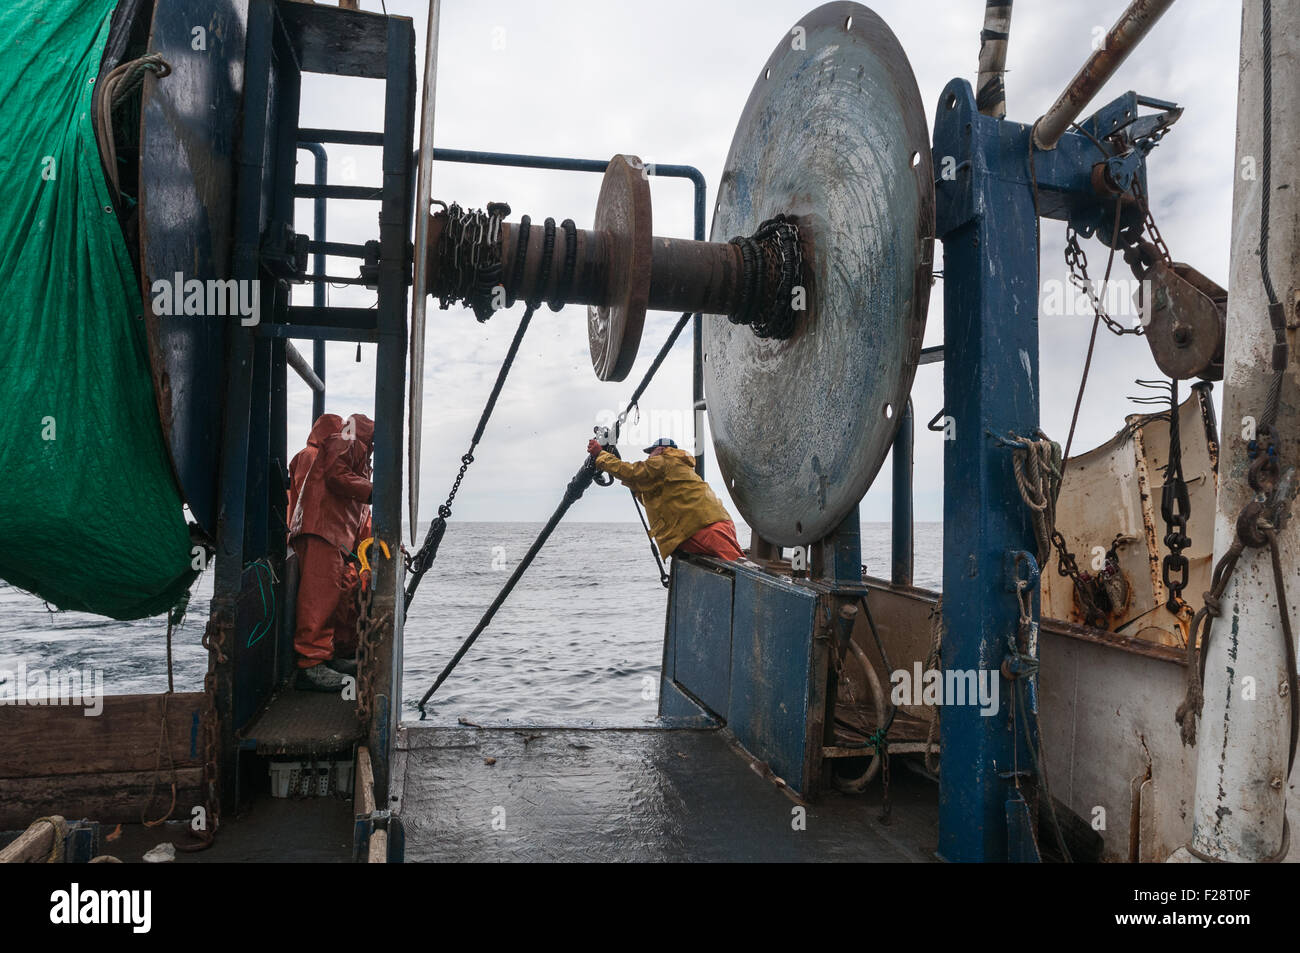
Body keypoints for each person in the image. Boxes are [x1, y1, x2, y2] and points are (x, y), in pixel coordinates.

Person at [290, 413, 375, 692]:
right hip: (321, 529)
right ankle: (310, 665)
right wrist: (374, 490)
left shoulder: (352, 449)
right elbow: (337, 477)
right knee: (319, 598)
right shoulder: (346, 441)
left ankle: (329, 656)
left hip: (332, 533)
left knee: (331, 597)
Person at [586, 436, 745, 562]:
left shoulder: (665, 460)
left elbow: (631, 472)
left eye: (651, 453)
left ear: (661, 450)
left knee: (738, 569)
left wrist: (601, 455)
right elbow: (653, 501)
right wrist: (634, 487)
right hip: (705, 525)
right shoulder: (674, 468)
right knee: (733, 568)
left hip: (707, 528)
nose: (649, 458)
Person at [287, 413, 342, 527]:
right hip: (310, 529)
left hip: (309, 527)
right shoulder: (311, 456)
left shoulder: (312, 455)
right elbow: (311, 496)